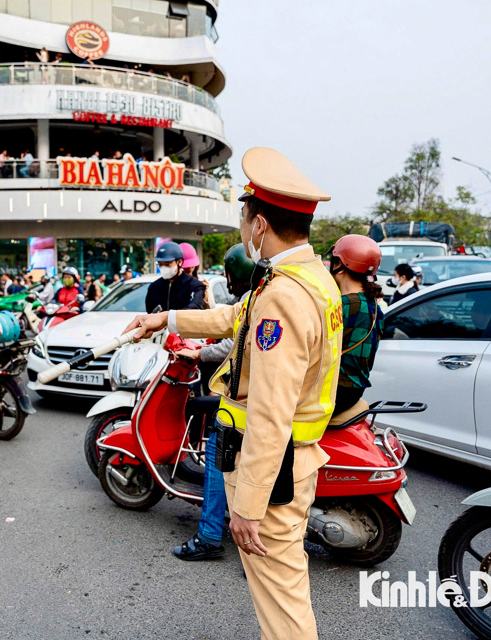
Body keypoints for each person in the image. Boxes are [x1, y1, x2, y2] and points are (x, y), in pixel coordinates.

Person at [123, 147, 341, 640]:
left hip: (273, 469)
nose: (243, 230)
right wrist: (165, 319)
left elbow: (269, 413)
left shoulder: (283, 296)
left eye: (244, 219)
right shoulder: (311, 279)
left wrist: (247, 507)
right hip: (294, 461)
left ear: (259, 225)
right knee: (283, 595)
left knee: (283, 610)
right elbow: (232, 317)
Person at [172, 243, 255, 561]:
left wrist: (196, 351)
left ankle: (208, 535)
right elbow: (219, 323)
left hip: (246, 402)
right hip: (262, 399)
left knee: (217, 453)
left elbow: (231, 339)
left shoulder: (256, 300)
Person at [328, 235, 385, 415]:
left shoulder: (342, 306)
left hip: (333, 392)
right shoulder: (375, 306)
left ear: (340, 265)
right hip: (354, 391)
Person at [144, 242, 205, 313]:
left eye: (167, 264)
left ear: (179, 262)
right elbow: (150, 312)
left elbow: (194, 308)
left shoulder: (194, 286)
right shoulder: (154, 287)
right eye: (160, 265)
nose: (163, 268)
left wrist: (169, 317)